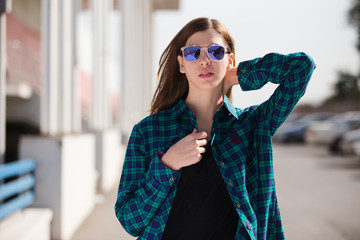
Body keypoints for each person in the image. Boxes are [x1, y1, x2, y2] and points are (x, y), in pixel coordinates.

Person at [115, 17, 316, 240]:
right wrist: (168, 164)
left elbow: (302, 67)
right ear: (181, 64)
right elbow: (130, 221)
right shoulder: (148, 131)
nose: (204, 60)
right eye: (193, 53)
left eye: (215, 52)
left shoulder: (254, 124)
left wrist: (241, 75)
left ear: (230, 60)